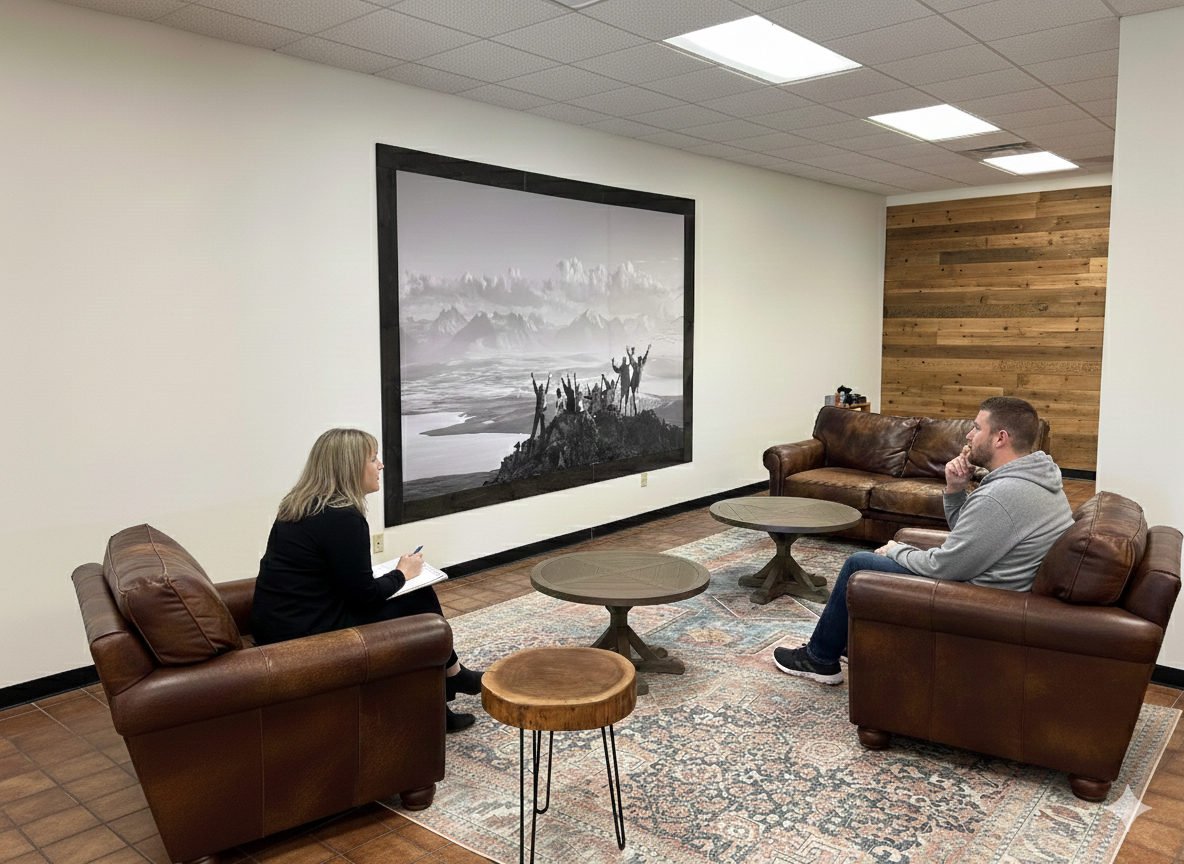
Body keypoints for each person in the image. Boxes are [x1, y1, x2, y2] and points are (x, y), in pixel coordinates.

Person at [773, 397, 1074, 686]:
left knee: (859, 564)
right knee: (890, 556)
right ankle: (851, 642)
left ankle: (819, 659)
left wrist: (897, 550)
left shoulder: (1003, 495)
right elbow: (973, 534)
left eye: (977, 427)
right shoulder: (1037, 479)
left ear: (1000, 438)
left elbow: (946, 567)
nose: (969, 435)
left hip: (977, 601)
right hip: (995, 589)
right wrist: (955, 490)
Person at [251, 428, 484, 731]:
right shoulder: (343, 517)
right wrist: (403, 573)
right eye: (373, 459)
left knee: (417, 598)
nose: (381, 465)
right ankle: (448, 686)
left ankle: (449, 682)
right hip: (305, 630)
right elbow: (363, 596)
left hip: (281, 621)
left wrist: (398, 577)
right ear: (350, 468)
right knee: (421, 605)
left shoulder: (300, 504)